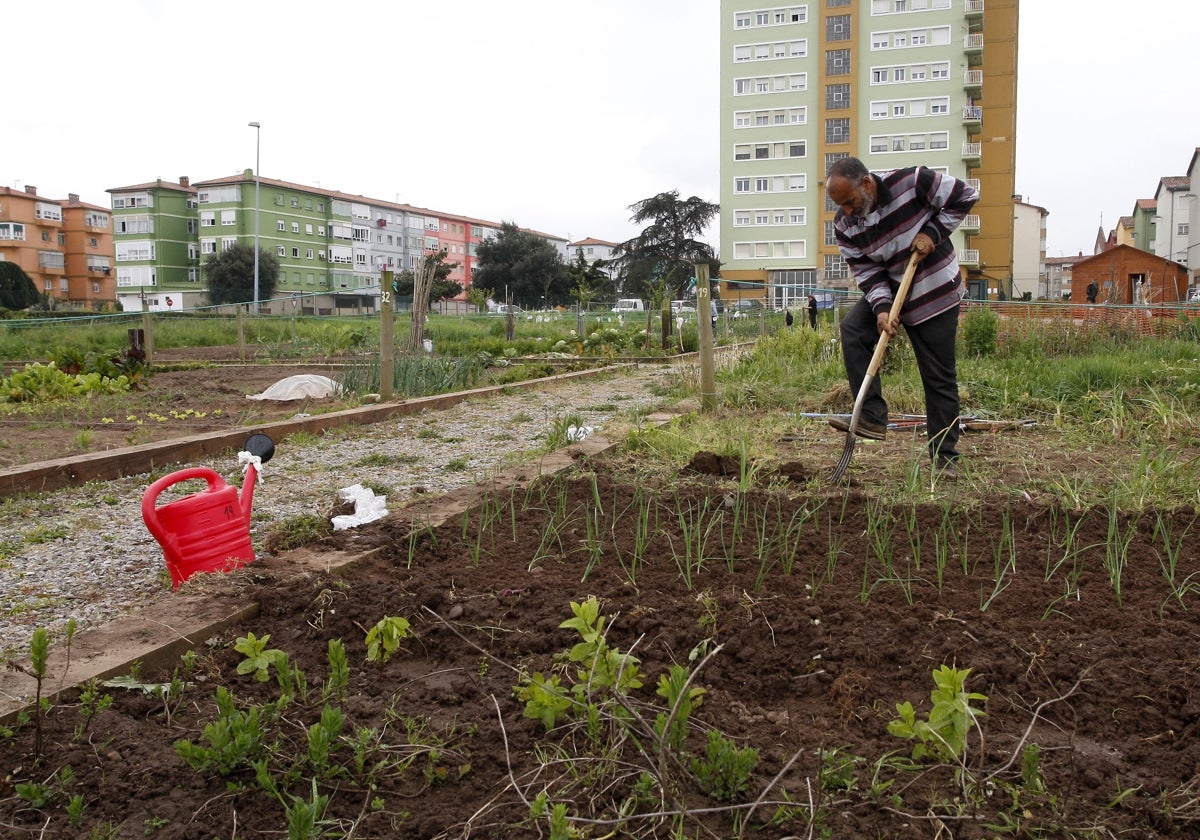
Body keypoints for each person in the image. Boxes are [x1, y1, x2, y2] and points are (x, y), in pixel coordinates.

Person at [825, 157, 979, 477]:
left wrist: (932, 233)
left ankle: (945, 457)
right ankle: (871, 415)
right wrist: (881, 308)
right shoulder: (844, 225)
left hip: (933, 290)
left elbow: (965, 195)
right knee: (853, 330)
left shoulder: (913, 182)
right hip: (892, 286)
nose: (848, 211)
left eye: (851, 201)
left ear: (866, 183)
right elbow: (867, 271)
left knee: (937, 376)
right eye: (842, 205)